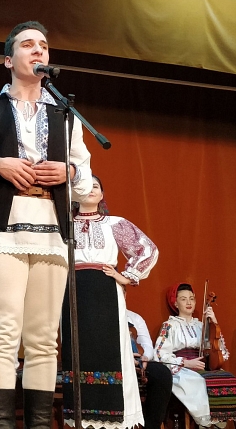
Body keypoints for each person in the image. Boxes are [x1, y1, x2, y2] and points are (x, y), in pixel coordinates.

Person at [0, 20, 92, 429]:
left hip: (51, 229)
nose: (38, 50)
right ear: (8, 60)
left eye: (43, 45)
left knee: (44, 339)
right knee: (3, 332)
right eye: (28, 45)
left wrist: (68, 173)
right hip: (1, 229)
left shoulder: (64, 112)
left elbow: (84, 176)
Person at [60, 175, 159, 429]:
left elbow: (148, 249)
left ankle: (112, 416)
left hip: (105, 292)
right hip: (71, 291)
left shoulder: (114, 223)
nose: (91, 189)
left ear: (102, 195)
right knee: (76, 351)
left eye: (96, 186)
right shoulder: (63, 223)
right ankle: (80, 417)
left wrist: (127, 276)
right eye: (86, 186)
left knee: (110, 349)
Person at [154, 283, 230, 427]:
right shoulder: (170, 325)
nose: (189, 302)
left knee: (226, 377)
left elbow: (222, 353)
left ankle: (223, 417)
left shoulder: (201, 326)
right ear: (176, 303)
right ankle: (206, 421)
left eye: (192, 298)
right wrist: (186, 363)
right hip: (182, 369)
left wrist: (214, 323)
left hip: (201, 366)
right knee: (196, 381)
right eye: (183, 299)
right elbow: (159, 354)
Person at [126, 309, 173, 429]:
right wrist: (125, 357)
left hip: (137, 360)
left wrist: (144, 358)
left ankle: (152, 426)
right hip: (114, 362)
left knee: (161, 373)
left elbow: (147, 345)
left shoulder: (135, 318)